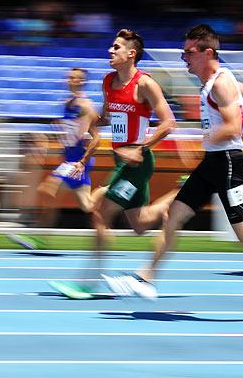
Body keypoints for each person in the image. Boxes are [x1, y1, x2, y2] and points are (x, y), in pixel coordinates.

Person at [104, 24, 243, 299]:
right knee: (173, 215)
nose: (184, 59)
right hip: (214, 161)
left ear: (208, 53)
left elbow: (230, 125)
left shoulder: (223, 83)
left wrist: (220, 139)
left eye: (189, 53)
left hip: (227, 164)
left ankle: (146, 277)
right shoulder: (216, 82)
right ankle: (145, 278)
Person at [49, 29, 178, 299]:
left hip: (137, 163)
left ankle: (87, 282)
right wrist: (83, 123)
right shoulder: (108, 82)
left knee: (99, 211)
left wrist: (140, 149)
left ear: (131, 54)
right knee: (141, 224)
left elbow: (169, 123)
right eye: (111, 46)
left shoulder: (145, 84)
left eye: (116, 47)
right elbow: (108, 118)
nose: (110, 50)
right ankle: (182, 195)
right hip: (121, 160)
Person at [8, 68, 104, 249]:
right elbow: (69, 132)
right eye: (68, 77)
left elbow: (96, 138)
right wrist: (53, 134)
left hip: (76, 160)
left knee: (47, 189)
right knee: (87, 205)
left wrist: (82, 161)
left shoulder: (86, 106)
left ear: (81, 82)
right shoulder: (67, 103)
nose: (69, 80)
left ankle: (40, 235)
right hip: (69, 158)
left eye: (74, 78)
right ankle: (108, 190)